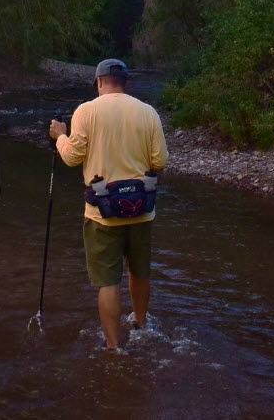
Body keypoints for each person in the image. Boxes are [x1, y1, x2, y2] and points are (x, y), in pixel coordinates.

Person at [47, 59, 168, 349]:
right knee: (139, 272)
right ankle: (141, 325)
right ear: (125, 82)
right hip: (141, 211)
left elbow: (72, 158)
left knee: (108, 282)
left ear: (99, 82)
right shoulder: (148, 112)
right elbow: (160, 161)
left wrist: (60, 136)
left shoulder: (86, 111)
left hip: (102, 214)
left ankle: (114, 349)